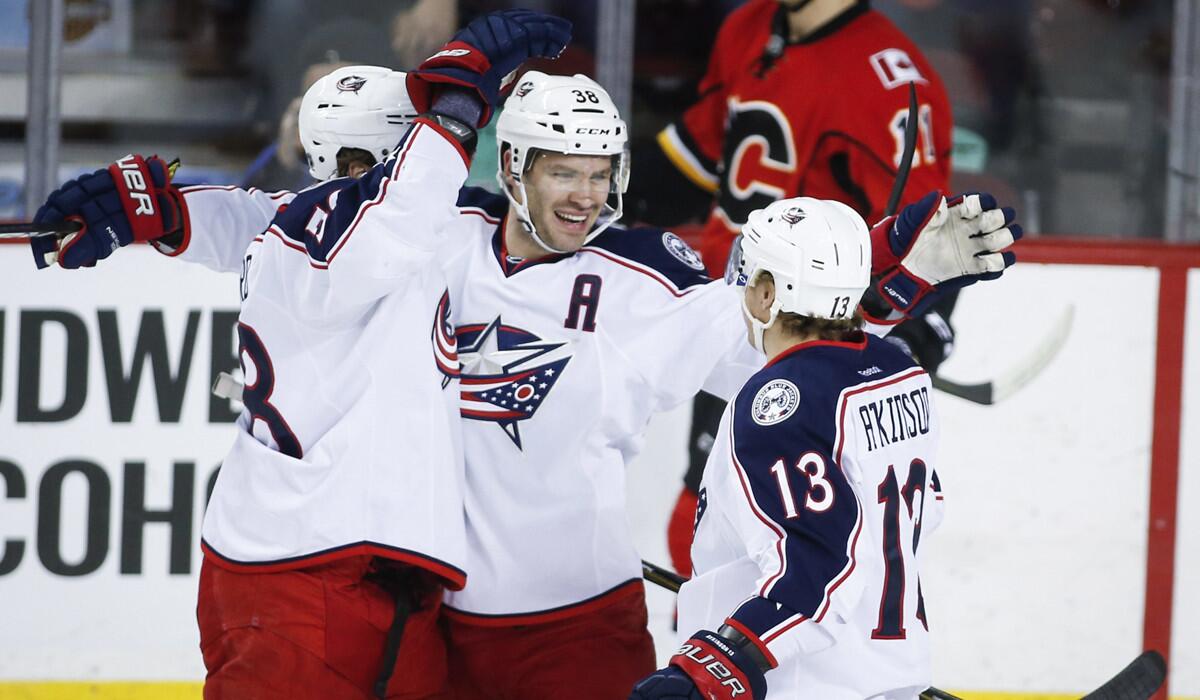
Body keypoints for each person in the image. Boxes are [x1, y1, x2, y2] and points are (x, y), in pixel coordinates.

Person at [34, 67, 1017, 700]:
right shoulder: (427, 235)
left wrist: (899, 261)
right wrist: (151, 208)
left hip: (574, 626)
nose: (586, 193)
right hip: (424, 619)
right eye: (562, 172)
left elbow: (787, 335)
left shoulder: (652, 278)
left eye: (600, 171)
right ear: (513, 167)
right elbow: (279, 223)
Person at [27, 10, 571, 699]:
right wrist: (458, 102)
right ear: (355, 165)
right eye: (406, 148)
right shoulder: (346, 236)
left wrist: (168, 212)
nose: (434, 167)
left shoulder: (314, 231)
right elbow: (391, 216)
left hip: (361, 582)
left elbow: (259, 214)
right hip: (305, 586)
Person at [625, 0, 960, 581]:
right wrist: (592, 190)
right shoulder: (747, 26)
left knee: (791, 536)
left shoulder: (888, 79)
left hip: (806, 338)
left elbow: (930, 233)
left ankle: (753, 660)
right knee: (702, 520)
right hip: (732, 315)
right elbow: (700, 161)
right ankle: (713, 655)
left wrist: (922, 321)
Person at [630, 195, 959, 700]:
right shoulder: (900, 370)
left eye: (751, 276)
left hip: (806, 682)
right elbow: (920, 509)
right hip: (889, 672)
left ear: (767, 295)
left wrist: (720, 664)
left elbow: (822, 567)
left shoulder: (777, 401)